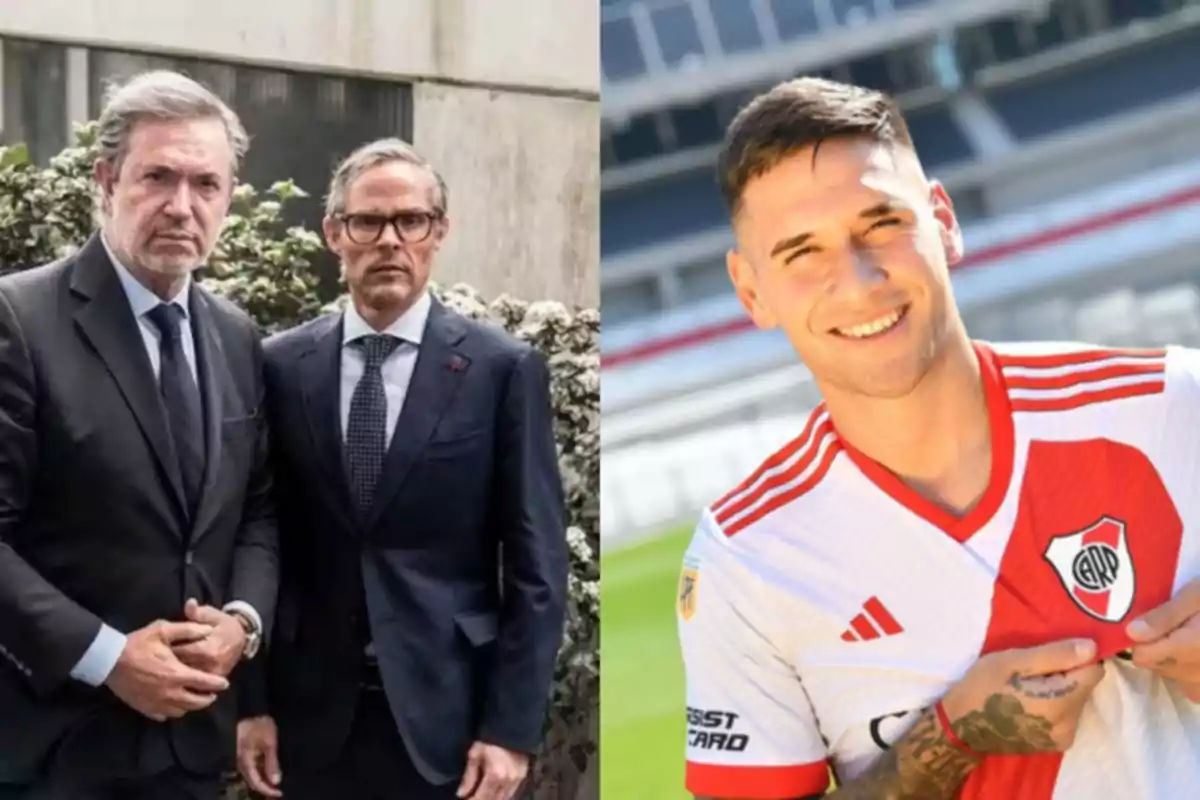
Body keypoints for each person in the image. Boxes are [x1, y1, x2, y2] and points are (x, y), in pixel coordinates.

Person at [677, 76, 1200, 800]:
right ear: (751, 290)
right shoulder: (747, 558)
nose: (857, 282)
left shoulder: (1170, 405)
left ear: (942, 221)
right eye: (803, 253)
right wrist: (950, 736)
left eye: (881, 224)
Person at [235, 138, 568, 800]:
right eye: (368, 222)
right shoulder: (277, 366)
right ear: (335, 233)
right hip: (307, 723)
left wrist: (510, 730)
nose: (390, 240)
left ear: (437, 232)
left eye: (410, 221)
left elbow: (537, 567)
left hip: (449, 723)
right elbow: (255, 533)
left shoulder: (501, 370)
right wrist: (250, 703)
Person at [0, 70, 277, 799]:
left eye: (205, 185)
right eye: (158, 177)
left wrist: (242, 624)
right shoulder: (19, 320)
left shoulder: (237, 336)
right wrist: (108, 656)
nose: (181, 206)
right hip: (52, 747)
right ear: (105, 179)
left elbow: (257, 509)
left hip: (190, 752)